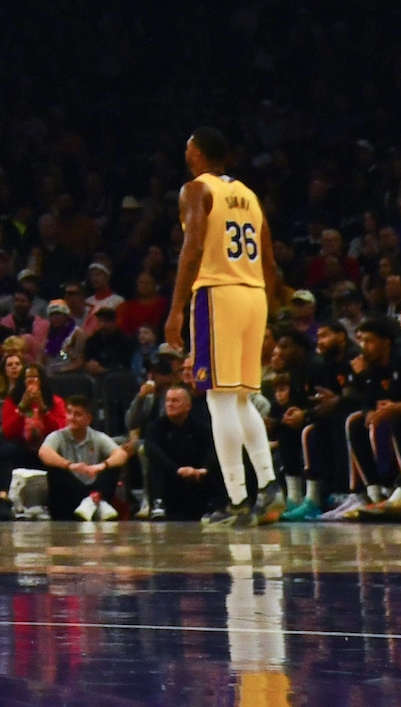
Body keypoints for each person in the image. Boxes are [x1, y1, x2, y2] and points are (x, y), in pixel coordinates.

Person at [173, 134, 280, 518]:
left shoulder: (196, 189)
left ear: (198, 152)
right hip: (255, 294)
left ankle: (236, 499)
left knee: (218, 399)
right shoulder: (249, 194)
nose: (185, 155)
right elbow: (269, 257)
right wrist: (275, 301)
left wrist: (175, 309)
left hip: (217, 292)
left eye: (188, 148)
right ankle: (268, 485)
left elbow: (193, 248)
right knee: (240, 398)